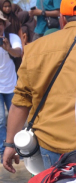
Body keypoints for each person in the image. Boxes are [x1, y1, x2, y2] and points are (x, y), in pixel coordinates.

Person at [2, 0, 76, 173]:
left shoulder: (35, 49)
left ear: (62, 19)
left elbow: (21, 102)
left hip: (52, 142)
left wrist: (9, 145)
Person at [0, 13, 21, 160]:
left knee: (18, 118)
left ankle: (18, 149)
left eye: (0, 23)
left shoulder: (12, 37)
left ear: (4, 24)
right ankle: (3, 152)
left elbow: (19, 52)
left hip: (11, 84)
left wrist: (8, 49)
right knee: (0, 119)